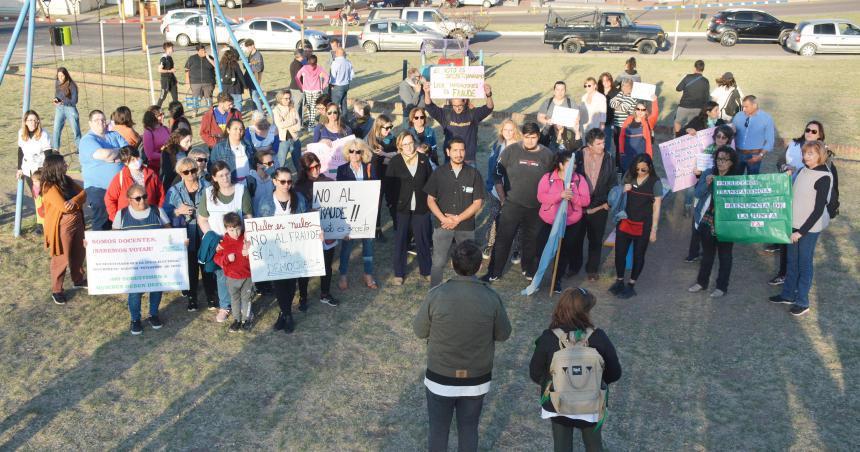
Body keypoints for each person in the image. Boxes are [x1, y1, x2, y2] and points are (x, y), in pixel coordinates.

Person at [413, 240, 512, 452]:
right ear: (480, 266)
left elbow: (420, 331)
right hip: (476, 379)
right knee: (469, 429)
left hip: (440, 377)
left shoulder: (436, 295)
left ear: (452, 264)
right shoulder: (491, 297)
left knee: (438, 430)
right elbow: (504, 334)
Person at [529, 287, 621, 452]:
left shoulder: (548, 337)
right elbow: (615, 373)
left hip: (558, 403)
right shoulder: (599, 337)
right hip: (592, 402)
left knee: (562, 446)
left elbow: (535, 373)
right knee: (594, 446)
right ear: (586, 311)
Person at [484, 122, 555, 282]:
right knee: (503, 239)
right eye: (527, 137)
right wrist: (503, 199)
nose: (530, 141)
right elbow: (496, 174)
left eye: (534, 137)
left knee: (532, 240)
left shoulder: (547, 155)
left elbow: (554, 179)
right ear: (522, 136)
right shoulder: (511, 151)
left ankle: (529, 270)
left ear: (538, 137)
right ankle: (494, 272)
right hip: (512, 204)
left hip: (536, 207)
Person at [769, 141, 833, 317]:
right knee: (792, 261)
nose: (806, 156)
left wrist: (801, 232)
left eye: (810, 154)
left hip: (808, 229)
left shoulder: (824, 177)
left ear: (820, 155)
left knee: (804, 264)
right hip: (794, 223)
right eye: (805, 153)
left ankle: (803, 302)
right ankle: (788, 294)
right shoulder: (803, 170)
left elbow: (818, 210)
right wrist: (788, 177)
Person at [768, 120, 827, 285]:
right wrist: (784, 167)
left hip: (804, 201)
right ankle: (783, 273)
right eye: (808, 129)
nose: (809, 132)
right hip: (786, 192)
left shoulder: (822, 153)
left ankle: (796, 282)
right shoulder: (794, 145)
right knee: (785, 238)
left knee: (800, 249)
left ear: (820, 135)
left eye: (814, 131)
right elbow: (779, 162)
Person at [425, 138, 486, 287]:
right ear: (448, 152)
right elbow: (430, 200)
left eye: (462, 150)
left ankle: (468, 291)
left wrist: (458, 219)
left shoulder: (474, 174)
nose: (459, 154)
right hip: (442, 226)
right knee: (438, 262)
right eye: (455, 150)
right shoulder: (439, 173)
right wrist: (443, 219)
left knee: (469, 262)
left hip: (465, 226)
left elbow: (478, 202)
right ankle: (435, 292)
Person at [198, 161, 253, 321]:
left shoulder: (241, 190)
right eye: (220, 175)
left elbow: (249, 218)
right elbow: (202, 220)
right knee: (222, 275)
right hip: (220, 242)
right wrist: (214, 241)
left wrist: (246, 242)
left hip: (238, 241)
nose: (225, 178)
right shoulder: (208, 193)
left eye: (227, 173)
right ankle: (225, 306)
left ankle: (245, 306)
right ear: (214, 178)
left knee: (243, 275)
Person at [113, 184, 171, 335]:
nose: (142, 201)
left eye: (144, 197)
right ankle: (135, 319)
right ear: (129, 199)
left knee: (157, 288)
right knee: (135, 292)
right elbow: (112, 239)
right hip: (133, 264)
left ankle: (153, 314)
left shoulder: (157, 211)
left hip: (156, 262)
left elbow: (169, 233)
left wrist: (180, 241)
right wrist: (92, 244)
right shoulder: (122, 214)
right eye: (137, 198)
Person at [259, 167, 310, 333]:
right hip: (275, 250)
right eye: (282, 181)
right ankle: (287, 315)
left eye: (289, 181)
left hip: (295, 249)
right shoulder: (265, 201)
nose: (286, 185)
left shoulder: (299, 199)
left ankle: (284, 313)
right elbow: (259, 226)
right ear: (274, 181)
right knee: (279, 283)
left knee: (291, 283)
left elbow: (307, 221)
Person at [164, 156, 216, 312]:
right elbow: (165, 212)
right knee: (190, 267)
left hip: (204, 230)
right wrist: (177, 211)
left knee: (207, 264)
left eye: (193, 170)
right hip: (186, 233)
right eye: (186, 172)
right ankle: (192, 297)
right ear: (181, 173)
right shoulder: (174, 190)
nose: (191, 174)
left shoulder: (208, 187)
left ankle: (211, 297)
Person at [688, 146, 740, 298]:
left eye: (724, 160)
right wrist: (707, 183)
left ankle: (721, 287)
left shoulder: (735, 179)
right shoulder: (708, 173)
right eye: (718, 159)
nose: (720, 162)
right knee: (707, 254)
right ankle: (701, 282)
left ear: (731, 163)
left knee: (725, 256)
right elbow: (697, 193)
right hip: (707, 220)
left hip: (726, 223)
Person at [536, 150, 590, 293]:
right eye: (569, 165)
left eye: (574, 166)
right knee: (540, 249)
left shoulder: (579, 180)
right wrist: (559, 195)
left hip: (570, 223)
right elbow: (541, 197)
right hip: (548, 221)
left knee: (563, 252)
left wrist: (573, 197)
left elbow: (586, 201)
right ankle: (536, 276)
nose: (573, 169)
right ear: (560, 165)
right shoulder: (548, 178)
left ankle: (557, 280)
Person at [609, 154, 663, 299]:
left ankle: (631, 284)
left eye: (643, 169)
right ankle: (619, 280)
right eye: (637, 169)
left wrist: (654, 230)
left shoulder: (655, 182)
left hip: (643, 225)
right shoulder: (629, 176)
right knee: (619, 253)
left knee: (638, 256)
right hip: (625, 221)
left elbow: (657, 207)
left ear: (650, 167)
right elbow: (617, 195)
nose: (639, 172)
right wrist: (622, 189)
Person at [386, 131, 434, 285]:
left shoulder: (423, 160)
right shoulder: (395, 162)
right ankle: (399, 273)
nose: (408, 147)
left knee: (423, 240)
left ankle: (426, 270)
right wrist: (393, 206)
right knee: (401, 240)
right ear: (400, 146)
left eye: (410, 143)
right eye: (404, 144)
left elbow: (431, 182)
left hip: (421, 207)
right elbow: (389, 187)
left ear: (414, 142)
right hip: (402, 208)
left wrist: (429, 202)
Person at [570, 128, 616, 281]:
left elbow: (613, 182)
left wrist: (610, 201)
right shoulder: (578, 156)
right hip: (578, 204)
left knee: (596, 239)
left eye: (603, 142)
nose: (602, 146)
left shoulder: (609, 158)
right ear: (589, 145)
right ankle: (574, 267)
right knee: (576, 238)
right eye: (598, 144)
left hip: (600, 205)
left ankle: (592, 269)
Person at [41, 154, 87, 305]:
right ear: (55, 167)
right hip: (62, 227)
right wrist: (76, 202)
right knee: (61, 258)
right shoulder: (49, 187)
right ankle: (57, 289)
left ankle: (78, 279)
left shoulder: (67, 180)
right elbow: (63, 207)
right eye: (63, 163)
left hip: (77, 222)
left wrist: (74, 201)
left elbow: (83, 193)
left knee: (79, 252)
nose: (66, 165)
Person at [295, 152, 340, 306]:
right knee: (306, 266)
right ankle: (303, 296)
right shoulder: (299, 187)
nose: (315, 170)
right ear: (304, 169)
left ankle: (325, 293)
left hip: (327, 231)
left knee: (327, 264)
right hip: (309, 233)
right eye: (311, 168)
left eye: (317, 166)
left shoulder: (328, 181)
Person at [684, 125, 734, 263]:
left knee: (711, 226)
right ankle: (693, 252)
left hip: (718, 195)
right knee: (697, 221)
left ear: (729, 140)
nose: (720, 139)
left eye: (724, 137)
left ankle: (707, 254)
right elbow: (699, 170)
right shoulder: (707, 150)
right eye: (718, 136)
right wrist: (698, 172)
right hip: (705, 188)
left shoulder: (731, 154)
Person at [336, 139, 379, 290]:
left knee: (368, 245)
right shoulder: (342, 170)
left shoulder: (369, 167)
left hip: (367, 213)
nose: (354, 154)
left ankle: (368, 274)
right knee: (347, 245)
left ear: (363, 153)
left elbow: (375, 190)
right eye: (351, 151)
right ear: (347, 153)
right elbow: (341, 195)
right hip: (350, 215)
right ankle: (343, 274)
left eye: (358, 151)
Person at [78, 109, 128, 231]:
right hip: (98, 188)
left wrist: (114, 155)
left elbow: (129, 152)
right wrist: (118, 154)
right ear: (90, 123)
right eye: (96, 120)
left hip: (121, 187)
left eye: (103, 119)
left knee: (123, 219)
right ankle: (100, 247)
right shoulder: (87, 140)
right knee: (102, 220)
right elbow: (104, 155)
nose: (101, 122)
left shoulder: (114, 135)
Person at [423, 81, 494, 165]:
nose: (457, 108)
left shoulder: (473, 113)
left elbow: (489, 107)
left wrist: (488, 95)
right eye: (455, 106)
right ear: (451, 103)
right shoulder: (446, 114)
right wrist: (427, 93)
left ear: (465, 102)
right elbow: (429, 107)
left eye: (460, 105)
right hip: (450, 159)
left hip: (468, 159)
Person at [483, 119, 522, 261]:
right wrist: (489, 185)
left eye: (511, 130)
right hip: (495, 190)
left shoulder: (520, 148)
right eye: (505, 130)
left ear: (516, 131)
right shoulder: (497, 145)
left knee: (516, 221)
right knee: (493, 217)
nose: (508, 133)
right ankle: (490, 244)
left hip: (513, 192)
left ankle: (516, 249)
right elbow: (491, 167)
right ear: (501, 131)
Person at [213, 212, 255, 332]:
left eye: (237, 229)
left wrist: (249, 252)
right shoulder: (223, 243)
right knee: (234, 299)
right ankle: (236, 320)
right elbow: (217, 258)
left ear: (241, 227)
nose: (235, 233)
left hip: (247, 276)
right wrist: (227, 258)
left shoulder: (246, 239)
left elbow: (257, 254)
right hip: (231, 278)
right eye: (231, 230)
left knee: (246, 299)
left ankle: (246, 320)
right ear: (226, 229)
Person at [105, 146, 165, 224]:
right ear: (126, 162)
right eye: (132, 160)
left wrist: (159, 213)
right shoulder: (120, 178)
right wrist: (116, 219)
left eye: (137, 157)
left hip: (150, 218)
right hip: (127, 221)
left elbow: (161, 195)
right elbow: (109, 199)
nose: (136, 161)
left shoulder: (151, 174)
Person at [17, 110, 52, 231]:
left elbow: (48, 153)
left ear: (38, 121)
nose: (32, 122)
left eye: (34, 120)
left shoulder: (43, 134)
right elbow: (20, 151)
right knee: (36, 197)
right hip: (28, 170)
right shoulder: (21, 133)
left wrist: (45, 171)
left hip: (40, 169)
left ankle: (47, 222)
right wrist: (19, 168)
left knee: (44, 196)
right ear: (25, 122)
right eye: (30, 120)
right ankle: (40, 223)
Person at [367, 114, 399, 233]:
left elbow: (399, 154)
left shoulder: (392, 137)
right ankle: (377, 229)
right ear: (379, 127)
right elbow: (375, 160)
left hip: (392, 175)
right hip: (377, 177)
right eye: (386, 128)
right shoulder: (371, 140)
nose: (389, 130)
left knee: (394, 201)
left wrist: (386, 156)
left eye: (390, 126)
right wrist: (391, 157)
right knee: (377, 204)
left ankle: (398, 225)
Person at [731, 95, 775, 175]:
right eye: (743, 106)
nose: (743, 109)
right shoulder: (738, 116)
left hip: (754, 156)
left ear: (755, 105)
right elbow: (731, 134)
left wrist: (760, 156)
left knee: (752, 183)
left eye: (746, 107)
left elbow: (770, 141)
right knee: (735, 180)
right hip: (737, 154)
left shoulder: (766, 118)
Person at [618, 95, 659, 173]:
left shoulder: (648, 121)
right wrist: (621, 152)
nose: (640, 112)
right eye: (638, 109)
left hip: (641, 157)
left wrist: (654, 101)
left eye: (643, 110)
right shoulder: (629, 119)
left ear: (646, 111)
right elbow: (621, 137)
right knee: (626, 178)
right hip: (627, 155)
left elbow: (655, 114)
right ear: (635, 110)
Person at [674, 60, 710, 136]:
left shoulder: (687, 77)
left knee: (677, 122)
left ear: (694, 67)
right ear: (703, 69)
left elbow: (678, 89)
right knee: (692, 125)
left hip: (684, 105)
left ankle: (677, 136)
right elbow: (707, 97)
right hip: (698, 108)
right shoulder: (706, 81)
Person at [296, 55, 330, 129]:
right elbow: (327, 77)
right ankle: (311, 124)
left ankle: (310, 123)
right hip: (316, 90)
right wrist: (322, 86)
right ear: (316, 61)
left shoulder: (304, 68)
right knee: (313, 107)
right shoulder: (319, 68)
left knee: (309, 106)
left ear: (308, 61)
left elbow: (297, 77)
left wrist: (301, 87)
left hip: (307, 90)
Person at [51, 67, 82, 150]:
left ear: (66, 75)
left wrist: (63, 102)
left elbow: (74, 101)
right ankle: (55, 149)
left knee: (76, 130)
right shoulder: (57, 83)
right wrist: (55, 99)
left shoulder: (72, 86)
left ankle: (79, 148)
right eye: (59, 76)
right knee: (56, 129)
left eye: (62, 76)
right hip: (59, 108)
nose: (60, 78)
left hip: (70, 109)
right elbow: (57, 94)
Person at [608, 79, 637, 167]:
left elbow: (624, 108)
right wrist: (618, 105)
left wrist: (617, 105)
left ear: (631, 88)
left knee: (625, 147)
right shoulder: (620, 93)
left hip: (625, 127)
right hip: (617, 125)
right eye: (623, 86)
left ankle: (625, 166)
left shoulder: (633, 96)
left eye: (627, 86)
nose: (624, 88)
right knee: (617, 147)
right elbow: (610, 103)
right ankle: (618, 166)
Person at [184, 44, 216, 116]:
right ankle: (194, 111)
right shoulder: (192, 58)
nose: (203, 51)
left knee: (208, 98)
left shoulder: (210, 57)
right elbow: (187, 69)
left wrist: (208, 58)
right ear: (197, 51)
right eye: (201, 50)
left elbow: (216, 66)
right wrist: (187, 81)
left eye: (204, 50)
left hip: (208, 82)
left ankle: (210, 112)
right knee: (196, 98)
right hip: (195, 82)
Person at [273, 90, 301, 170]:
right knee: (281, 164)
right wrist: (292, 121)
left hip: (295, 139)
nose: (288, 100)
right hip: (283, 141)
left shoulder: (293, 108)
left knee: (298, 164)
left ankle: (301, 181)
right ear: (280, 99)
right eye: (286, 98)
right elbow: (280, 125)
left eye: (289, 98)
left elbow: (298, 125)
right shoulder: (276, 110)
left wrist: (287, 124)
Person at [142, 105, 171, 175]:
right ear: (153, 116)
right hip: (156, 169)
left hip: (169, 164)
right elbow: (150, 155)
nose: (163, 116)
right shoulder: (148, 132)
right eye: (160, 114)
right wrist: (165, 155)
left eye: (163, 113)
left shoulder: (165, 128)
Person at [248, 150, 276, 217]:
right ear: (258, 165)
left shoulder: (274, 179)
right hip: (257, 220)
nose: (271, 166)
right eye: (269, 164)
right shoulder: (251, 180)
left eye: (272, 163)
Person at [597, 73, 618, 160]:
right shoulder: (598, 92)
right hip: (598, 122)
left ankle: (607, 162)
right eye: (603, 81)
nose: (605, 82)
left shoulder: (616, 92)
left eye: (607, 80)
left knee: (607, 144)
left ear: (611, 81)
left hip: (609, 122)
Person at [329, 48, 355, 116]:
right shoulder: (348, 62)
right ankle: (345, 119)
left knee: (334, 105)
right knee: (344, 103)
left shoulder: (335, 62)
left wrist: (332, 85)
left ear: (337, 53)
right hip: (346, 85)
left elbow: (333, 75)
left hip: (338, 86)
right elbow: (352, 75)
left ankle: (336, 120)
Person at [243, 39, 265, 112]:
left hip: (255, 78)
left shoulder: (258, 55)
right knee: (252, 96)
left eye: (248, 47)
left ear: (253, 45)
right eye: (247, 47)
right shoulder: (250, 54)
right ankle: (256, 110)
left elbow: (259, 68)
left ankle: (261, 112)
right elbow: (248, 65)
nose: (247, 49)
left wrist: (249, 65)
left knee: (254, 96)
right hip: (250, 78)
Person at [157, 42, 178, 108]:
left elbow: (171, 68)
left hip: (172, 80)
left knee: (175, 97)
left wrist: (173, 72)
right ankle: (156, 110)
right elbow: (159, 70)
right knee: (163, 96)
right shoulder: (163, 58)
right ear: (167, 48)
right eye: (171, 48)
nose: (172, 49)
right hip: (165, 81)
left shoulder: (170, 58)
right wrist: (169, 71)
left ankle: (176, 113)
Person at [288, 50, 306, 129]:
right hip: (297, 88)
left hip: (294, 87)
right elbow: (298, 78)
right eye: (303, 54)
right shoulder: (298, 65)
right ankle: (297, 125)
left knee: (297, 107)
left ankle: (299, 123)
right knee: (297, 107)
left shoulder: (294, 63)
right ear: (300, 56)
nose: (305, 56)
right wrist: (302, 89)